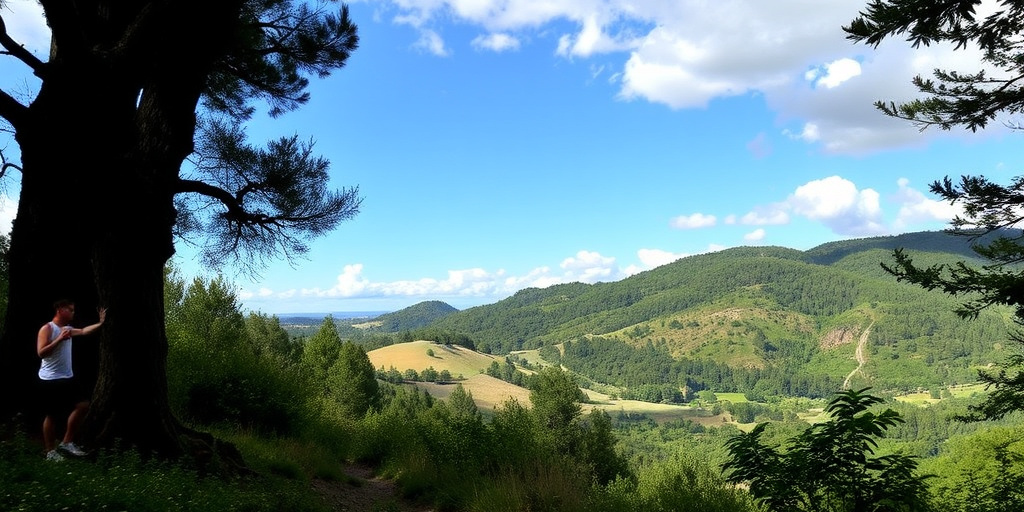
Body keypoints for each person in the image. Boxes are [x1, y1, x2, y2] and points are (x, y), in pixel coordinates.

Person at [37, 299, 106, 461]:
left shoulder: (67, 329)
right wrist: (59, 339)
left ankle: (66, 442)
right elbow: (41, 353)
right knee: (52, 416)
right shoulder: (47, 329)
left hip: (67, 377)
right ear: (60, 310)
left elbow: (83, 331)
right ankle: (50, 452)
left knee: (83, 406)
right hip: (50, 379)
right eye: (71, 310)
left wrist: (101, 323)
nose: (73, 313)